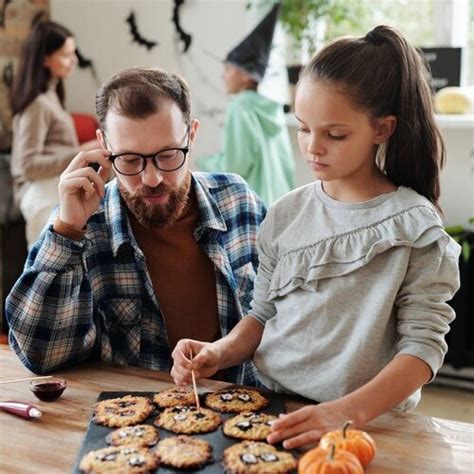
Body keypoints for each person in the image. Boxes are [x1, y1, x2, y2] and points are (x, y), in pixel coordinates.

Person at [171, 25, 461, 448]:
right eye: (304, 128)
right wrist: (222, 350)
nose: (312, 148)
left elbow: (423, 349)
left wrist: (348, 412)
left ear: (382, 129)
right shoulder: (287, 212)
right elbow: (262, 313)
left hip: (365, 423)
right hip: (267, 409)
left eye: (335, 134)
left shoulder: (415, 227)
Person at [6, 67, 265, 387]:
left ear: (192, 135)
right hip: (131, 425)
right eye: (129, 160)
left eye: (169, 155)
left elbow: (281, 317)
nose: (152, 179)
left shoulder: (240, 203)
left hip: (242, 414)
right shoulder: (82, 226)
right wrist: (68, 230)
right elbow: (41, 356)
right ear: (104, 145)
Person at [10, 20, 99, 248]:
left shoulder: (52, 98)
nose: (75, 61)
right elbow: (26, 165)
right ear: (45, 59)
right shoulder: (38, 104)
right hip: (41, 195)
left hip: (52, 191)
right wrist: (81, 151)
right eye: (67, 55)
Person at [197, 4, 295, 207]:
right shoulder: (273, 109)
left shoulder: (240, 107)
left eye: (228, 70)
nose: (222, 76)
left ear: (244, 75)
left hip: (254, 207)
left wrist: (203, 162)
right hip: (280, 204)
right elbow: (287, 166)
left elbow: (234, 166)